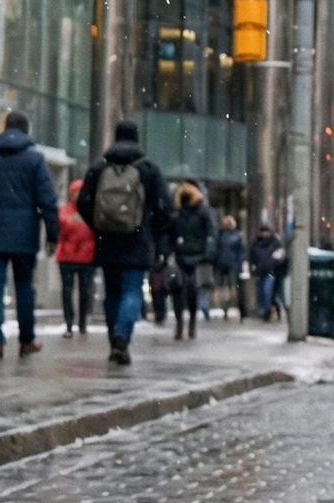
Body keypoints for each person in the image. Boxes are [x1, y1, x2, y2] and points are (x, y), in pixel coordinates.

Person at [0, 109, 60, 360]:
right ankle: (26, 339)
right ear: (26, 130)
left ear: (4, 128)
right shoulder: (35, 159)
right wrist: (52, 234)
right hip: (24, 235)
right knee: (24, 286)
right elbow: (48, 200)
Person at [76, 120, 169, 367]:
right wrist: (150, 231)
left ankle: (114, 342)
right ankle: (122, 337)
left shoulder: (99, 167)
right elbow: (165, 208)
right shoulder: (149, 169)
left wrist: (99, 224)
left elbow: (83, 202)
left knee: (112, 293)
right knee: (131, 290)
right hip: (138, 241)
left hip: (107, 241)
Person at [167, 181, 218, 339]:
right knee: (177, 289)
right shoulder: (177, 211)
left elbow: (211, 232)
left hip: (197, 257)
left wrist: (208, 253)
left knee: (192, 291)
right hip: (180, 256)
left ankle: (191, 322)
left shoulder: (202, 211)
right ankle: (180, 323)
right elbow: (169, 233)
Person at [56, 178, 97, 334]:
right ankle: (69, 322)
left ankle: (82, 323)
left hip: (87, 256)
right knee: (67, 290)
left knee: (85, 291)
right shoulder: (64, 210)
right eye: (75, 192)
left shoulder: (91, 210)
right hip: (67, 256)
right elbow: (60, 229)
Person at [249, 221, 284, 321]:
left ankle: (267, 311)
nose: (264, 233)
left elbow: (280, 256)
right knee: (261, 292)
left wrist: (274, 262)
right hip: (259, 271)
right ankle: (265, 310)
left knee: (267, 292)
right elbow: (251, 256)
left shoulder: (275, 242)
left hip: (270, 271)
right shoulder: (255, 243)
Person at [214, 213, 246, 321]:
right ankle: (229, 309)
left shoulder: (222, 235)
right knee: (229, 289)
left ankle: (230, 309)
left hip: (228, 265)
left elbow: (241, 252)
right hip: (228, 265)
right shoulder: (231, 235)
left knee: (230, 289)